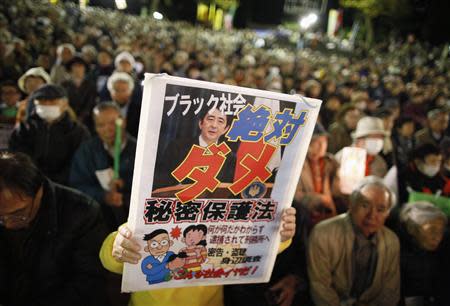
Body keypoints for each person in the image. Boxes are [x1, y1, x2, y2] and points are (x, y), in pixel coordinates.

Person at [99, 207, 297, 306]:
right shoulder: (154, 207)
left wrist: (279, 235)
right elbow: (114, 255)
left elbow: (244, 250)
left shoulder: (222, 212)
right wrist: (117, 247)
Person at [0, 151, 108, 306]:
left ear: (39, 192)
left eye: (18, 214)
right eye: (2, 218)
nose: (9, 224)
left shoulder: (82, 212)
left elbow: (89, 284)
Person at [307, 176, 400, 306]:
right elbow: (320, 286)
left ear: (388, 213)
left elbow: (390, 290)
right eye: (365, 205)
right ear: (351, 204)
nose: (372, 215)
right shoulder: (323, 234)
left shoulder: (391, 241)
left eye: (380, 209)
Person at [70, 102, 136, 231]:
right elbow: (77, 185)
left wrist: (125, 186)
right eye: (101, 125)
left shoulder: (139, 149)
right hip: (98, 221)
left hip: (131, 222)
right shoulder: (87, 151)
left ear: (124, 121)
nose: (107, 129)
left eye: (112, 123)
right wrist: (103, 196)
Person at [9, 84, 90, 185]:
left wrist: (54, 183)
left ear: (65, 104)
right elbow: (17, 157)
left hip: (66, 187)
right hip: (29, 184)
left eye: (52, 102)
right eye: (42, 102)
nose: (47, 105)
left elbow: (78, 163)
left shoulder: (78, 131)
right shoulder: (23, 129)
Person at [153, 107, 235, 189]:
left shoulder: (229, 157)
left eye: (220, 121)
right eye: (210, 119)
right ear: (200, 123)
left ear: (226, 129)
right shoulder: (177, 147)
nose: (214, 125)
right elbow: (160, 181)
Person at [395, 201, 449, 305]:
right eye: (431, 230)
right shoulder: (397, 254)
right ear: (412, 229)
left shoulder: (443, 251)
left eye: (441, 231)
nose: (437, 237)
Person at [294, 122, 341, 223]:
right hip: (305, 216)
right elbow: (295, 194)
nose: (322, 146)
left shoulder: (331, 162)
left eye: (324, 141)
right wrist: (318, 199)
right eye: (317, 142)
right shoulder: (297, 163)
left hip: (329, 216)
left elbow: (337, 192)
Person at [106, 72, 141, 138]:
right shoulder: (104, 110)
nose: (120, 93)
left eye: (124, 90)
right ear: (110, 92)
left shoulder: (139, 110)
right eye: (116, 90)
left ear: (130, 92)